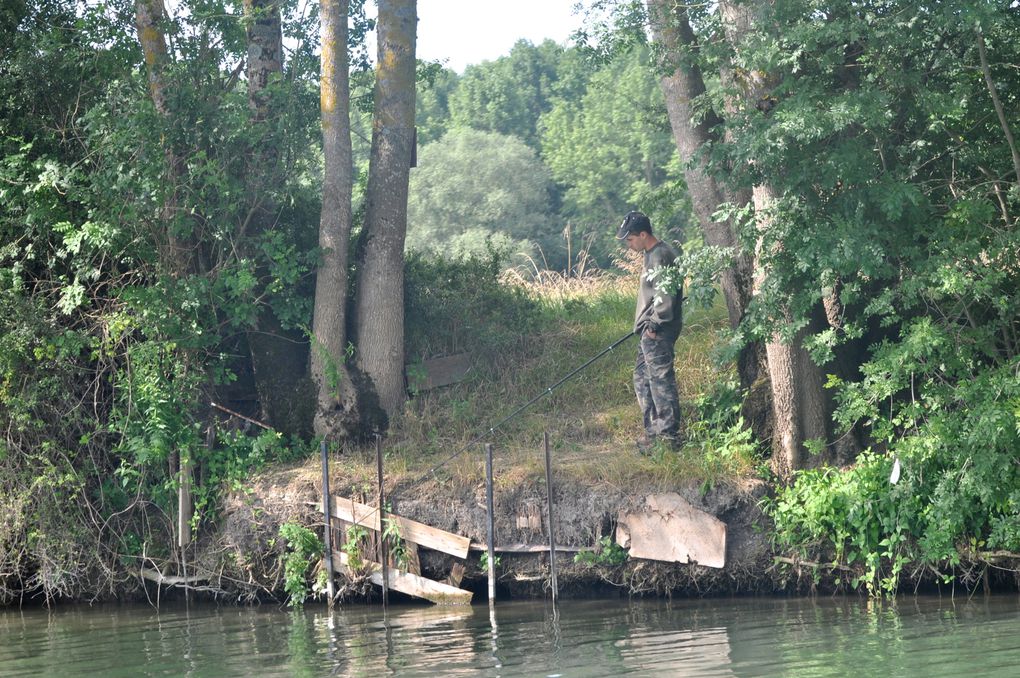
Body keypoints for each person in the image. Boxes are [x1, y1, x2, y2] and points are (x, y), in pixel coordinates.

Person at [616, 211, 683, 452]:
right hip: (648, 332)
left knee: (660, 382)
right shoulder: (650, 255)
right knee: (642, 380)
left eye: (630, 239)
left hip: (658, 331)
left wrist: (654, 325)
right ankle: (654, 432)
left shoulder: (660, 256)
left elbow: (665, 297)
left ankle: (668, 438)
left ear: (643, 234)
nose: (628, 244)